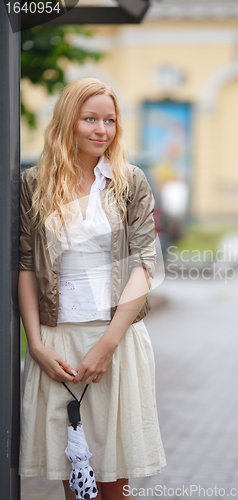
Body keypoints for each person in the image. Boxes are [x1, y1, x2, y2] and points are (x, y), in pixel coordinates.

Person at [18, 78, 167, 500]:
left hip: (117, 340)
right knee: (77, 486)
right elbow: (26, 267)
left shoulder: (129, 182)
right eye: (90, 119)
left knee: (114, 486)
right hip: (59, 343)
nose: (102, 129)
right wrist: (36, 344)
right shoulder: (35, 183)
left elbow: (143, 266)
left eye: (110, 120)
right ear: (68, 121)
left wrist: (107, 345)